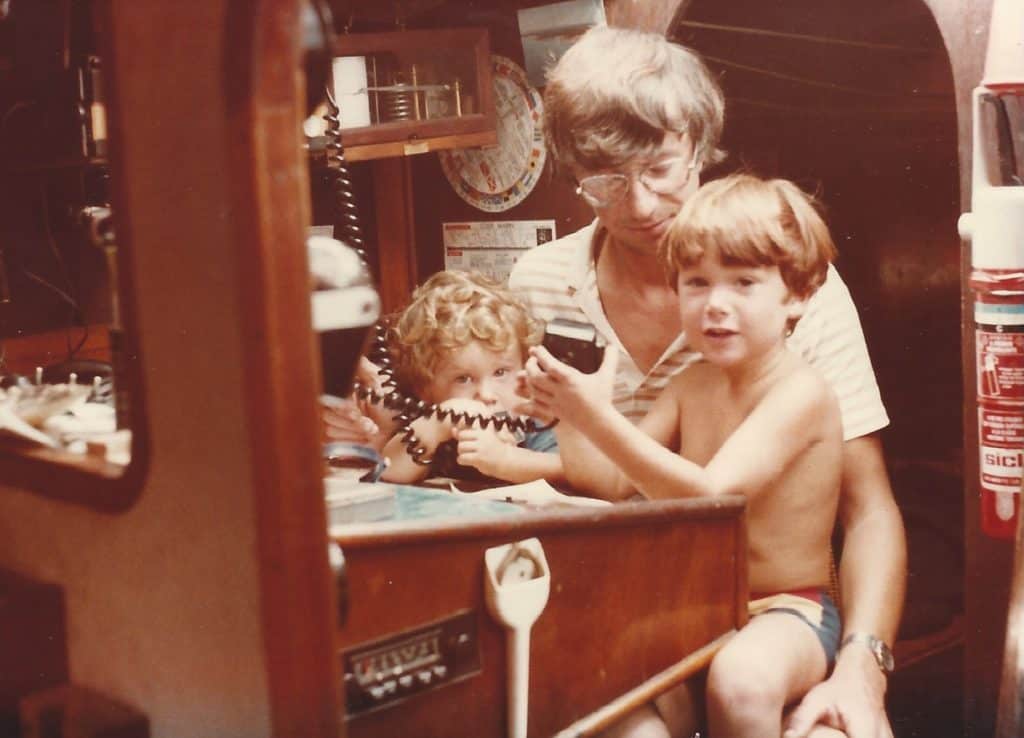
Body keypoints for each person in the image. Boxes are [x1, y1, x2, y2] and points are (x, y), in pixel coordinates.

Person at [507, 25, 905, 738]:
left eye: (659, 167)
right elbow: (603, 480)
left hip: (783, 622)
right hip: (648, 603)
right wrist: (573, 405)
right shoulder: (542, 283)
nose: (640, 205)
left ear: (696, 142)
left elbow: (866, 506)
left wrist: (862, 670)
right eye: (605, 179)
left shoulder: (790, 292)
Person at [527, 172, 843, 737]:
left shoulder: (801, 392)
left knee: (741, 681)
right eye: (697, 283)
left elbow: (712, 495)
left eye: (743, 283)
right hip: (692, 611)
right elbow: (611, 481)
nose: (715, 305)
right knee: (597, 678)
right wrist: (568, 411)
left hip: (785, 610)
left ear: (796, 296)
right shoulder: (690, 384)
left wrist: (597, 416)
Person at [374, 270, 561, 485]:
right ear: (424, 389)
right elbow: (388, 471)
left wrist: (504, 460)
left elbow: (568, 471)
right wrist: (435, 425)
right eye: (463, 378)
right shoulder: (430, 421)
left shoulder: (534, 419)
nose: (487, 395)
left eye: (500, 373)